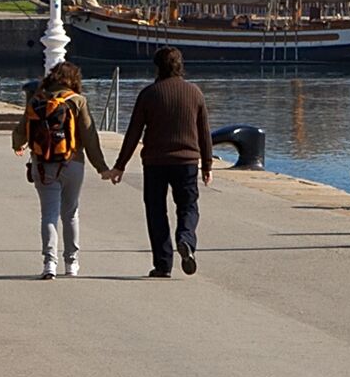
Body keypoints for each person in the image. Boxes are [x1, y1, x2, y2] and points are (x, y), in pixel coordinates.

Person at [111, 48, 215, 278]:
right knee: (188, 206)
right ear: (180, 66)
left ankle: (163, 264)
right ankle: (185, 238)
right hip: (187, 161)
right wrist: (207, 164)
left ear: (157, 67)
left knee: (156, 211)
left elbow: (133, 133)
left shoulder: (149, 94)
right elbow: (204, 132)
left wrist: (120, 165)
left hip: (155, 162)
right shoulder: (194, 93)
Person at [20, 62, 118, 278]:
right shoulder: (77, 101)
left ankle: (49, 264)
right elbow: (90, 137)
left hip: (43, 165)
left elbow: (21, 131)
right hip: (73, 163)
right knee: (71, 212)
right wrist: (102, 168)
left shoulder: (37, 99)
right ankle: (71, 263)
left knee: (49, 214)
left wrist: (19, 145)